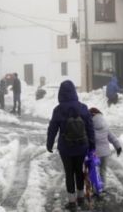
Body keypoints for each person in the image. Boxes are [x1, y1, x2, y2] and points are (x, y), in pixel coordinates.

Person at [46, 80, 95, 211]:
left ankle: (72, 202)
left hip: (65, 148)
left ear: (60, 93)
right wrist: (92, 145)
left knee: (69, 173)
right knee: (79, 171)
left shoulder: (58, 110)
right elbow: (90, 128)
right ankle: (80, 198)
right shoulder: (83, 108)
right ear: (74, 92)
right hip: (81, 146)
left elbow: (52, 129)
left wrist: (49, 143)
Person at [89, 107, 121, 195]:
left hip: (95, 154)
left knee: (93, 172)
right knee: (103, 171)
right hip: (105, 153)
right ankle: (102, 188)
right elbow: (112, 137)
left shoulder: (89, 125)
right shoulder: (105, 124)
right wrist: (118, 147)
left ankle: (95, 189)